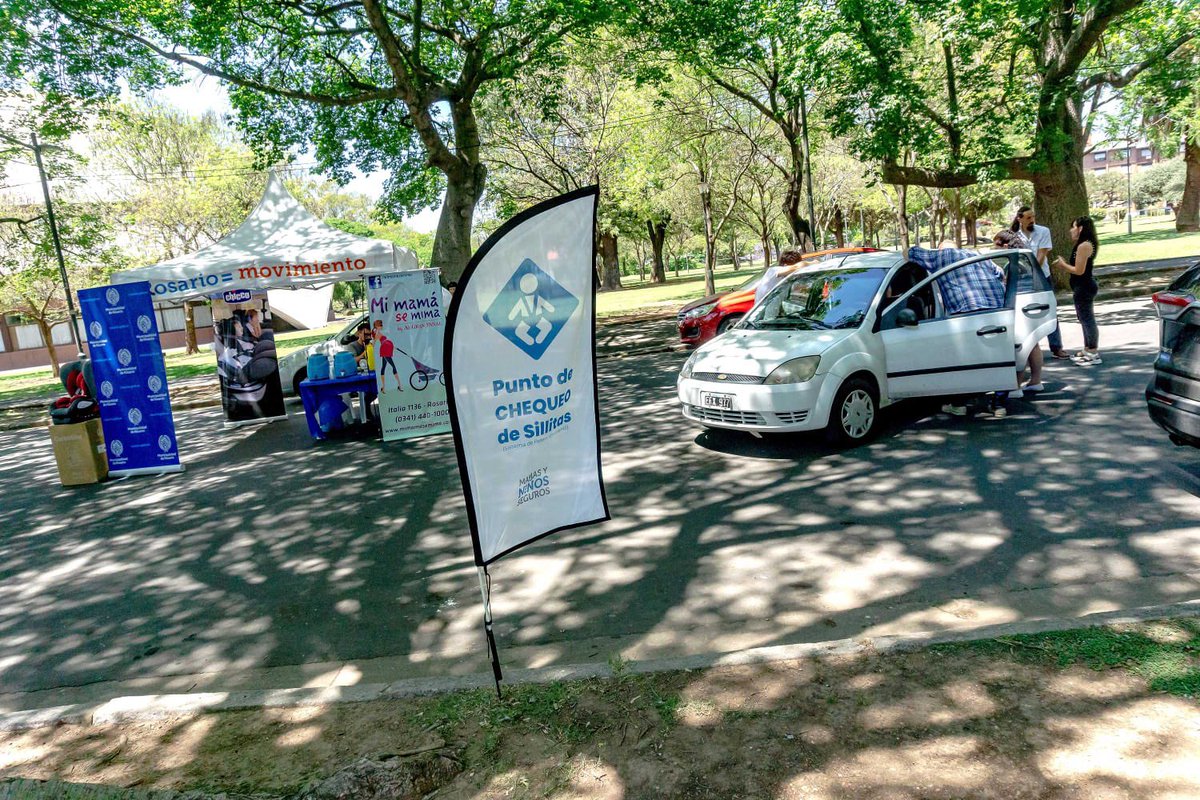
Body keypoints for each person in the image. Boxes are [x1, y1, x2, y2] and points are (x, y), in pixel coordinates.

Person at [1011, 205, 1066, 361]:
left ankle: (1057, 347)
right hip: (1023, 278)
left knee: (1050, 309)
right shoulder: (1014, 235)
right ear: (1019, 219)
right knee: (1025, 312)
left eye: (1033, 217)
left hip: (1042, 276)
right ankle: (1029, 349)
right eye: (1028, 218)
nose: (1032, 220)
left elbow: (1041, 256)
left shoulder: (1043, 231)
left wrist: (1033, 273)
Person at [1053, 216, 1101, 365]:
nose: (1071, 230)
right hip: (1082, 286)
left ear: (1080, 228)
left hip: (1084, 286)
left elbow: (1079, 271)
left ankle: (1093, 351)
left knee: (1087, 319)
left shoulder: (1084, 245)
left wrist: (1062, 265)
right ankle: (1087, 348)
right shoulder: (1082, 245)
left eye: (1073, 227)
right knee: (1083, 318)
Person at [374, 323, 401, 392]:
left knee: (383, 367)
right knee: (393, 367)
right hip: (384, 351)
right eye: (380, 325)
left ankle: (383, 387)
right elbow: (374, 342)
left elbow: (385, 341)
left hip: (387, 350)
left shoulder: (381, 333)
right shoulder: (377, 333)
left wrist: (392, 346)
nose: (381, 326)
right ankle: (399, 385)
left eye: (381, 325)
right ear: (377, 326)